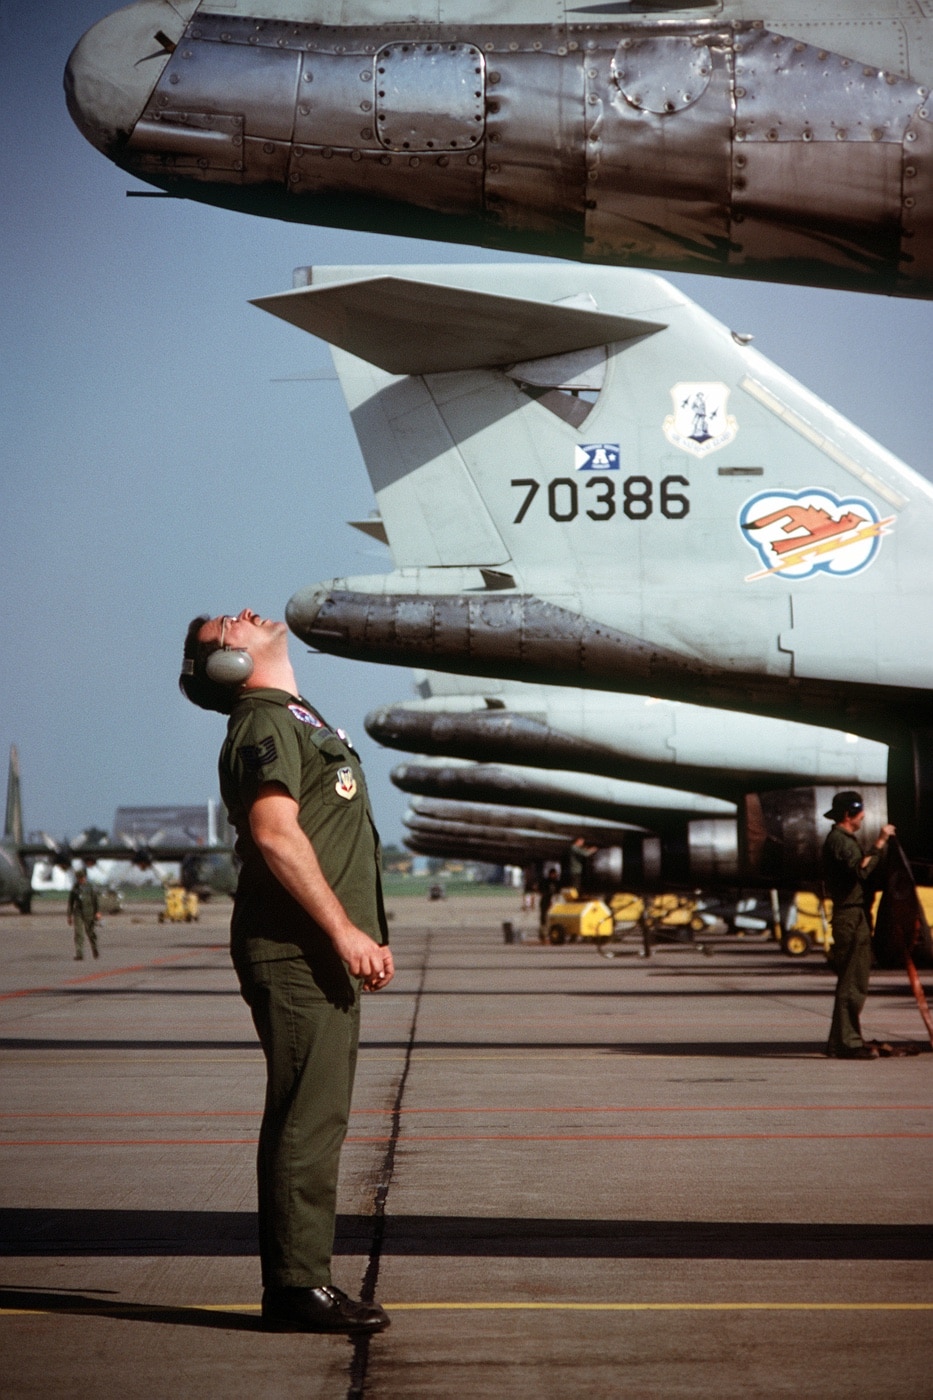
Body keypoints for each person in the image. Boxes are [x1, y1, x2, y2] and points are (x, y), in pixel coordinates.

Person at [179, 608, 394, 1333]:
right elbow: (275, 834)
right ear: (225, 668)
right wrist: (343, 932)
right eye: (223, 631)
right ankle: (296, 1287)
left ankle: (301, 1280)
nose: (241, 616)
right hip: (299, 949)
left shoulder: (295, 716)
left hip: (317, 949)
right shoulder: (263, 722)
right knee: (308, 1114)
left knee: (316, 1112)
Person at [821, 790, 895, 1060]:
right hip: (850, 918)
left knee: (853, 981)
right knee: (852, 983)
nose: (864, 816)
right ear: (848, 815)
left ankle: (842, 1041)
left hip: (857, 915)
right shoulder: (839, 841)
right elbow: (861, 869)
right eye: (860, 812)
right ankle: (847, 1043)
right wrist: (880, 842)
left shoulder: (843, 839)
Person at [67, 868, 100, 960]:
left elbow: (95, 900)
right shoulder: (75, 888)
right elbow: (70, 903)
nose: (81, 880)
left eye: (82, 878)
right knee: (78, 933)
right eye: (79, 878)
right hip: (78, 913)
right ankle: (79, 953)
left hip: (89, 912)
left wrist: (97, 912)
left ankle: (94, 949)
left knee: (91, 933)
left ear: (85, 877)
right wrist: (69, 916)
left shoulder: (90, 887)